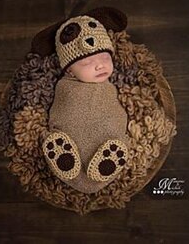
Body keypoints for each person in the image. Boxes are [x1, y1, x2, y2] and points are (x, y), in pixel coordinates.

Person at [42, 15, 129, 194]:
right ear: (69, 70)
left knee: (114, 134)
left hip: (106, 137)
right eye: (86, 62)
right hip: (71, 137)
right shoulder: (64, 86)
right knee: (62, 133)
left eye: (105, 58)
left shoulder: (112, 86)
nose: (100, 66)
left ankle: (107, 162)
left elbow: (118, 111)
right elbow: (60, 111)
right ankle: (64, 158)